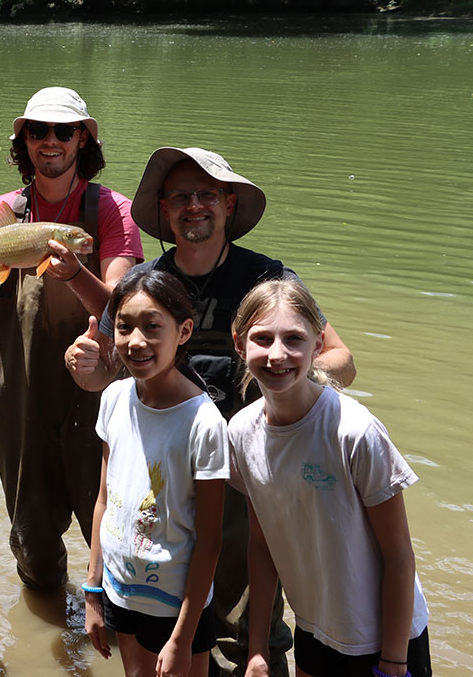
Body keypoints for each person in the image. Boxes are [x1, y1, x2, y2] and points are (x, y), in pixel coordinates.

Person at [66, 146, 356, 676]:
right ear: (164, 209)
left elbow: (341, 359)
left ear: (228, 204)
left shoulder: (266, 278)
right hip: (166, 481)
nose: (193, 206)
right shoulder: (143, 283)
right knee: (166, 622)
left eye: (206, 195)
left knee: (254, 634)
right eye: (180, 197)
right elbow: (107, 369)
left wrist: (285, 376)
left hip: (251, 481)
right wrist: (88, 367)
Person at [0, 86, 143, 591]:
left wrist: (76, 272)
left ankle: (119, 629)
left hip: (97, 390)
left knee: (118, 530)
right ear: (25, 142)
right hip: (22, 395)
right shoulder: (4, 210)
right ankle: (44, 636)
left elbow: (121, 312)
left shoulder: (112, 210)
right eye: (38, 132)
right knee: (31, 540)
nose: (50, 142)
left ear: (83, 139)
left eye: (63, 131)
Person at [229, 279, 431, 677]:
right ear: (240, 345)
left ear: (318, 345)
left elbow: (399, 555)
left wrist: (393, 662)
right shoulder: (240, 433)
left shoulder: (353, 431)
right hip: (313, 630)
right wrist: (256, 650)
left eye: (294, 339)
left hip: (386, 639)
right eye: (262, 338)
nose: (277, 354)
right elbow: (261, 544)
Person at [84, 269, 227, 677]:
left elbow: (210, 541)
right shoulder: (113, 398)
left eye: (152, 327)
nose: (136, 342)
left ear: (183, 331)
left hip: (176, 603)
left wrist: (182, 637)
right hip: (121, 589)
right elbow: (104, 500)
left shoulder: (204, 423)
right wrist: (94, 591)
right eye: (125, 327)